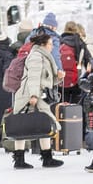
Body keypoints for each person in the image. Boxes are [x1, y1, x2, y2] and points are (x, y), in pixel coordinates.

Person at [11, 32, 64, 170]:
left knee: (43, 124)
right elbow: (33, 77)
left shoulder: (43, 56)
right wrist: (34, 95)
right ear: (43, 45)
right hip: (29, 95)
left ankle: (45, 158)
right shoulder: (36, 56)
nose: (52, 47)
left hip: (37, 94)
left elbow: (45, 79)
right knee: (22, 126)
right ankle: (22, 160)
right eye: (50, 44)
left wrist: (58, 78)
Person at [59, 21, 93, 103]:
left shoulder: (59, 41)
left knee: (62, 105)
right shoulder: (79, 42)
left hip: (61, 80)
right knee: (76, 105)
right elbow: (88, 60)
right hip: (76, 79)